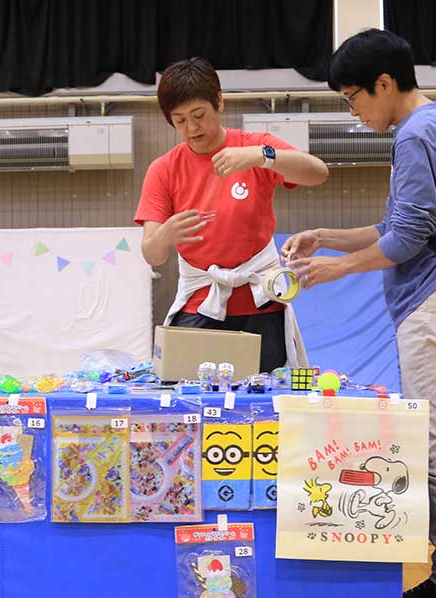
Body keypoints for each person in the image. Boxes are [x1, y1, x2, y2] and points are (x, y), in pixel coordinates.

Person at [284, 29, 436, 598]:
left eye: (353, 98)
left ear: (384, 84)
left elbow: (404, 241)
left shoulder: (417, 133)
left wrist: (336, 269)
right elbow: (400, 224)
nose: (353, 112)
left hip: (435, 308)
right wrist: (328, 236)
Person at [135, 57, 328, 373]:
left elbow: (318, 172)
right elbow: (152, 255)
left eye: (199, 115)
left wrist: (262, 158)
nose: (192, 128)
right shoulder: (164, 169)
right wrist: (166, 234)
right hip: (201, 301)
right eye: (180, 120)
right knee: (192, 402)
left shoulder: (254, 148)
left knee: (264, 401)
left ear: (219, 102)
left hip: (261, 301)